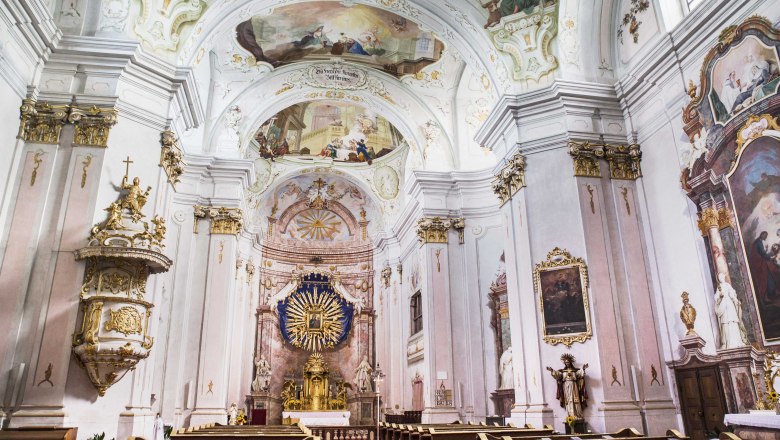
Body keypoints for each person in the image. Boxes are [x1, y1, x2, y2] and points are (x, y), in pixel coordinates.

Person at [547, 354, 588, 419]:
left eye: (568, 362)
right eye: (566, 362)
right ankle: (570, 416)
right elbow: (558, 376)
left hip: (574, 386)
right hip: (566, 387)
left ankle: (577, 415)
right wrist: (552, 371)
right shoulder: (563, 372)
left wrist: (583, 369)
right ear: (565, 363)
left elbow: (580, 374)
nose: (567, 363)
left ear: (570, 362)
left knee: (575, 400)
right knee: (568, 400)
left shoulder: (574, 371)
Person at [715, 273, 749, 349]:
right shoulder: (719, 287)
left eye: (722, 276)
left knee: (733, 321)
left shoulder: (727, 285)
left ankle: (737, 341)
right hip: (723, 306)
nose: (721, 278)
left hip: (730, 305)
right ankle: (728, 343)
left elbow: (732, 294)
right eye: (719, 277)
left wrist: (736, 300)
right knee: (726, 323)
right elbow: (716, 298)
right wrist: (720, 297)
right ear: (718, 279)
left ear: (724, 277)